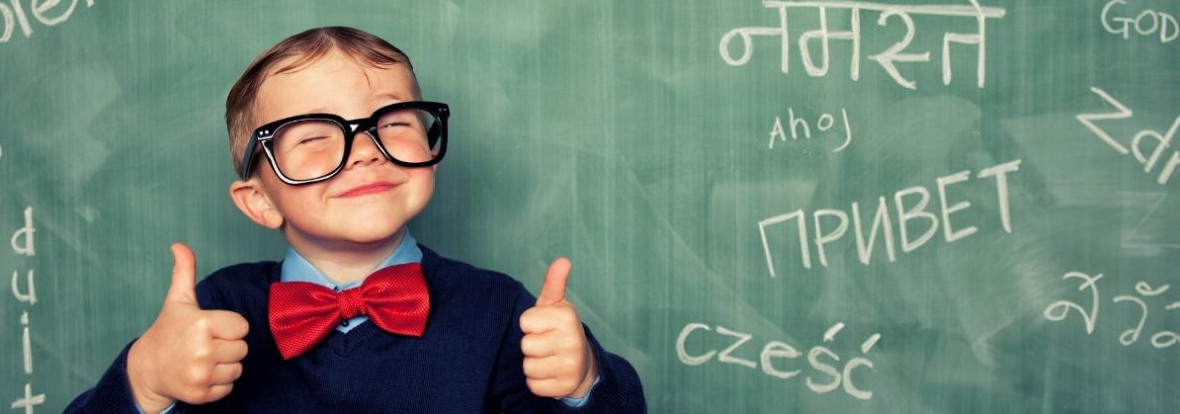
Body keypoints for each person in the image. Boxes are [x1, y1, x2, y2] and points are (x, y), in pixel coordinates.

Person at [65, 26, 646, 413]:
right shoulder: (216, 313)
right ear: (260, 201)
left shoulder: (497, 308)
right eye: (317, 136)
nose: (367, 149)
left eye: (393, 121)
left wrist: (585, 383)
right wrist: (144, 381)